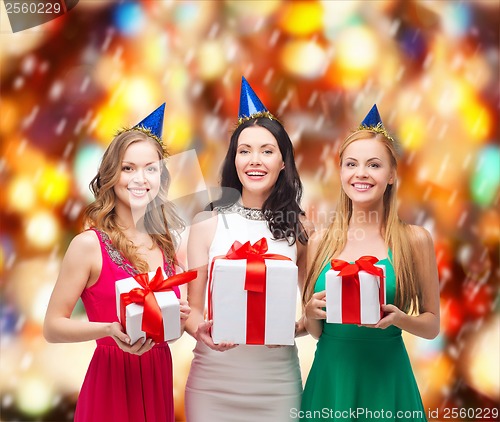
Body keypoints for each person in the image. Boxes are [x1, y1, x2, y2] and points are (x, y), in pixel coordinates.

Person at [43, 104, 191, 422]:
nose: (140, 179)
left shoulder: (167, 244)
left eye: (150, 168)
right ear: (111, 176)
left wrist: (175, 321)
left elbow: (167, 333)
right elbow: (52, 327)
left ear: (161, 177)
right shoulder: (88, 246)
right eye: (128, 168)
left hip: (157, 377)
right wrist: (110, 331)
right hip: (110, 382)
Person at [300, 104, 440, 421]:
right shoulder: (320, 241)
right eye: (351, 164)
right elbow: (317, 333)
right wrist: (309, 314)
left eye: (373, 165)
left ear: (391, 175)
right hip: (332, 379)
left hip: (387, 378)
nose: (360, 173)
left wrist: (399, 318)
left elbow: (432, 326)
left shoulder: (414, 240)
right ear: (341, 174)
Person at [184, 77, 312, 422]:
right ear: (234, 160)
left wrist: (294, 328)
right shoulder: (205, 223)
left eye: (267, 151)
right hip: (213, 381)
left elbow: (314, 312)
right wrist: (201, 330)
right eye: (245, 150)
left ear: (284, 162)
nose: (255, 160)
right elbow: (192, 310)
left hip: (276, 382)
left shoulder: (301, 229)